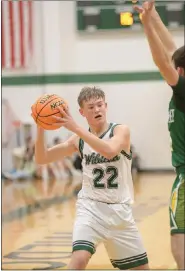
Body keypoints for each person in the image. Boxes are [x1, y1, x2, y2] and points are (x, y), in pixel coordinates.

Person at [32, 87, 149, 270]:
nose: (97, 110)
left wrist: (76, 128)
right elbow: (42, 158)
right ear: (82, 112)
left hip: (120, 213)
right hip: (91, 209)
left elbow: (109, 151)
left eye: (100, 105)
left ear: (106, 106)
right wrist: (40, 127)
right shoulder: (77, 140)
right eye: (91, 107)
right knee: (79, 260)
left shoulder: (120, 131)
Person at [134, 1, 185, 269]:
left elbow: (162, 58)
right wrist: (152, 16)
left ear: (179, 71)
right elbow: (173, 50)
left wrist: (146, 26)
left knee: (179, 240)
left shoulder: (182, 90)